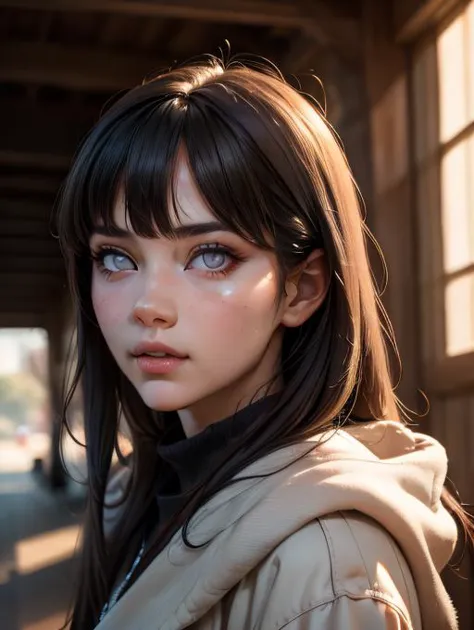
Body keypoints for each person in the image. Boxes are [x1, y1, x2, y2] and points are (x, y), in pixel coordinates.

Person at [56, 57, 470, 630]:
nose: (148, 305)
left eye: (210, 255)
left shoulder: (327, 570)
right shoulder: (142, 496)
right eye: (117, 257)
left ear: (301, 289)